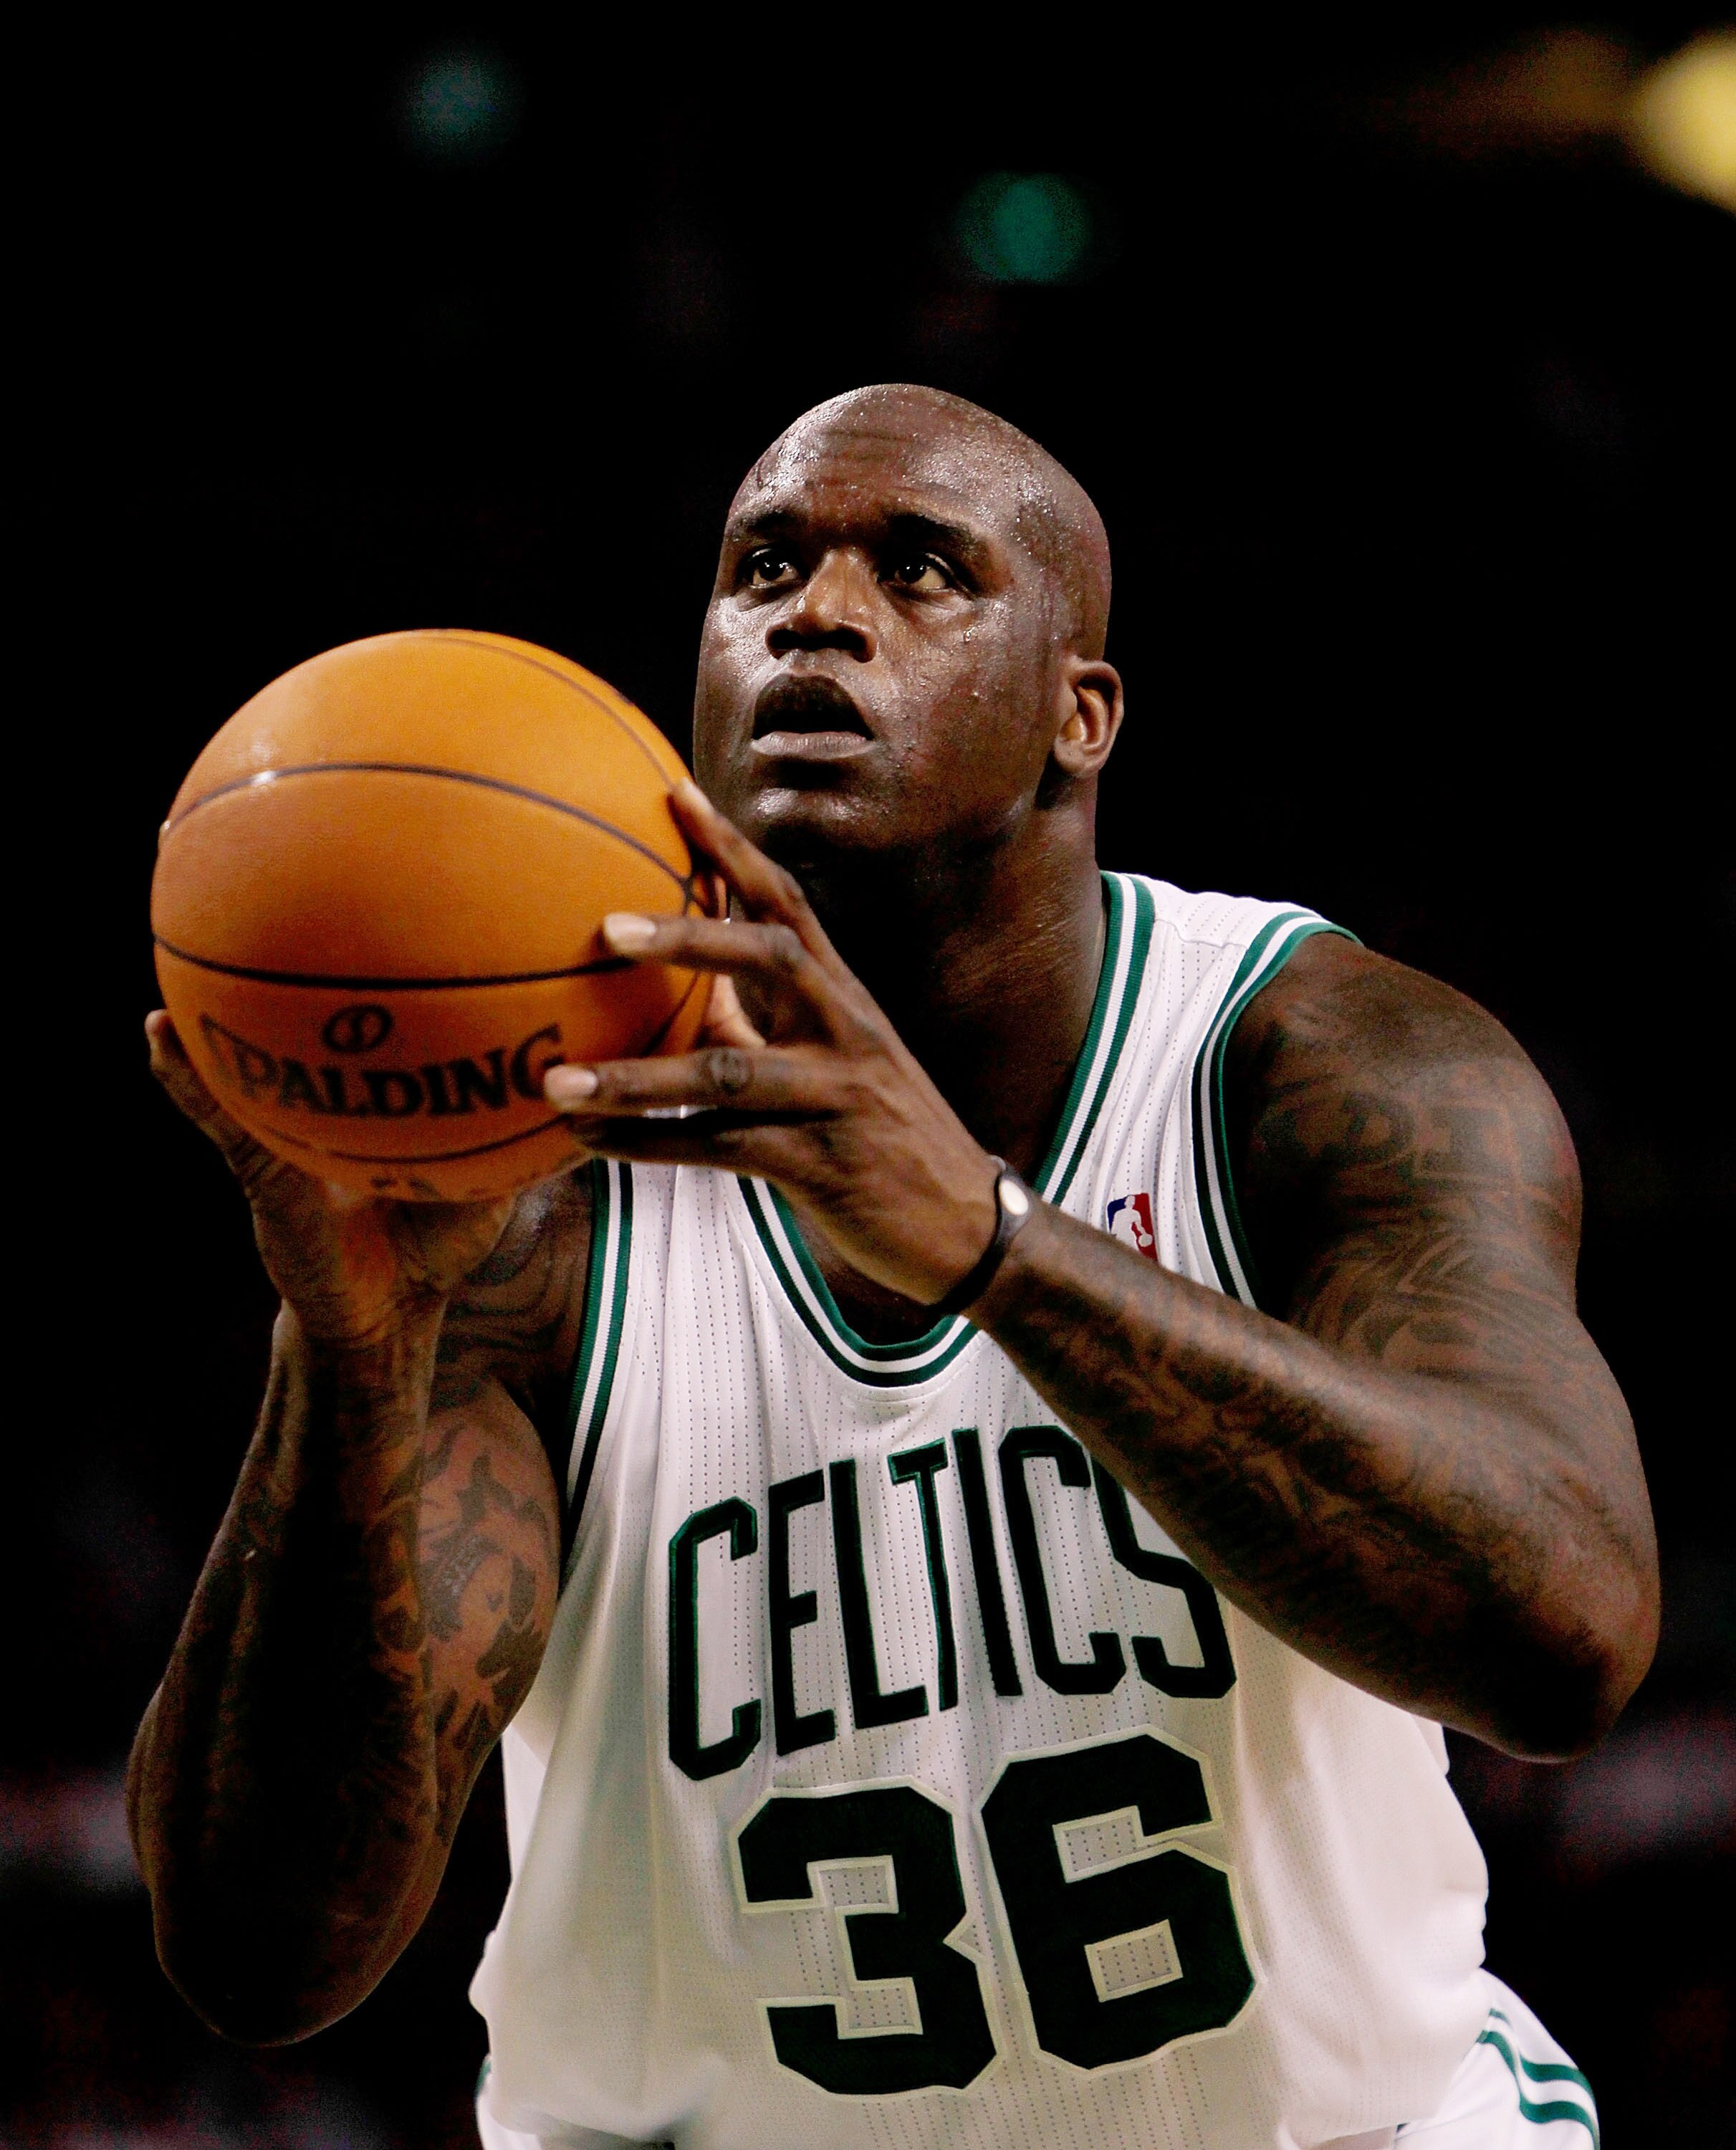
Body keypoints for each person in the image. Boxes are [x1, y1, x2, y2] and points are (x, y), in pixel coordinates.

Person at [129, 386, 1655, 2150]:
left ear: (1081, 714)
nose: (816, 612)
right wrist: (349, 1356)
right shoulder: (536, 1192)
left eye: (921, 570)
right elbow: (263, 1960)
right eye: (762, 566)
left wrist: (988, 1247)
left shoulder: (1312, 1064)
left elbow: (1569, 1641)